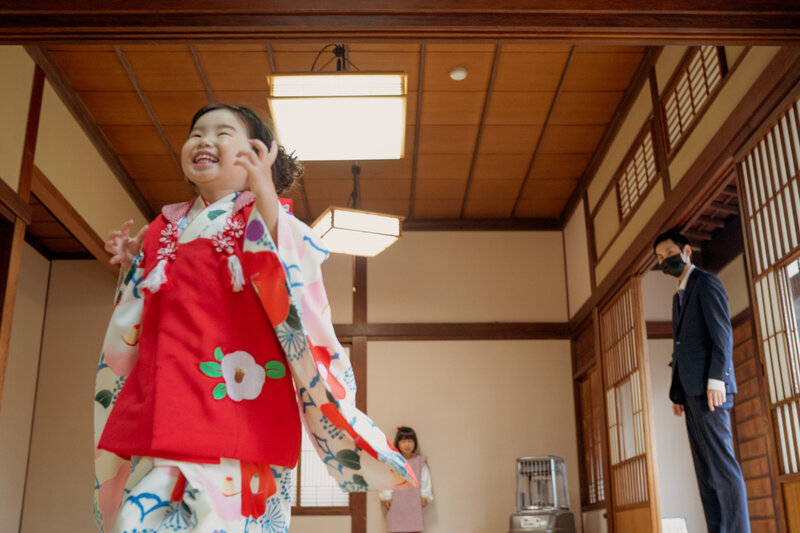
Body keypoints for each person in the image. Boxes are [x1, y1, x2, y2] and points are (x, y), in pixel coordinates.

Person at [94, 103, 417, 533]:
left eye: (223, 133)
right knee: (137, 518)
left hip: (237, 408)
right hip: (166, 399)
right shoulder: (163, 226)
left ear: (259, 156)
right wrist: (136, 263)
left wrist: (264, 194)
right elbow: (146, 305)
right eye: (196, 132)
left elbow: (286, 272)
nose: (205, 140)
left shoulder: (265, 217)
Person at [653, 229, 750, 533]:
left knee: (721, 467)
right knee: (705, 473)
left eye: (668, 254)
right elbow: (681, 347)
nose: (664, 261)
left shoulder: (706, 283)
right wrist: (678, 392)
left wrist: (717, 380)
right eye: (659, 258)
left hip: (711, 391)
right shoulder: (679, 294)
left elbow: (722, 334)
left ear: (686, 251)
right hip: (692, 392)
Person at [379, 426, 433, 533]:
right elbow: (387, 478)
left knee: (414, 527)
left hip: (414, 501)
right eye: (403, 441)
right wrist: (387, 495)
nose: (407, 444)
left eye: (410, 441)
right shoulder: (393, 461)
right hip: (397, 501)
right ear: (398, 443)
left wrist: (425, 495)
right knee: (396, 527)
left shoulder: (419, 462)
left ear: (415, 443)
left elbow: (425, 479)